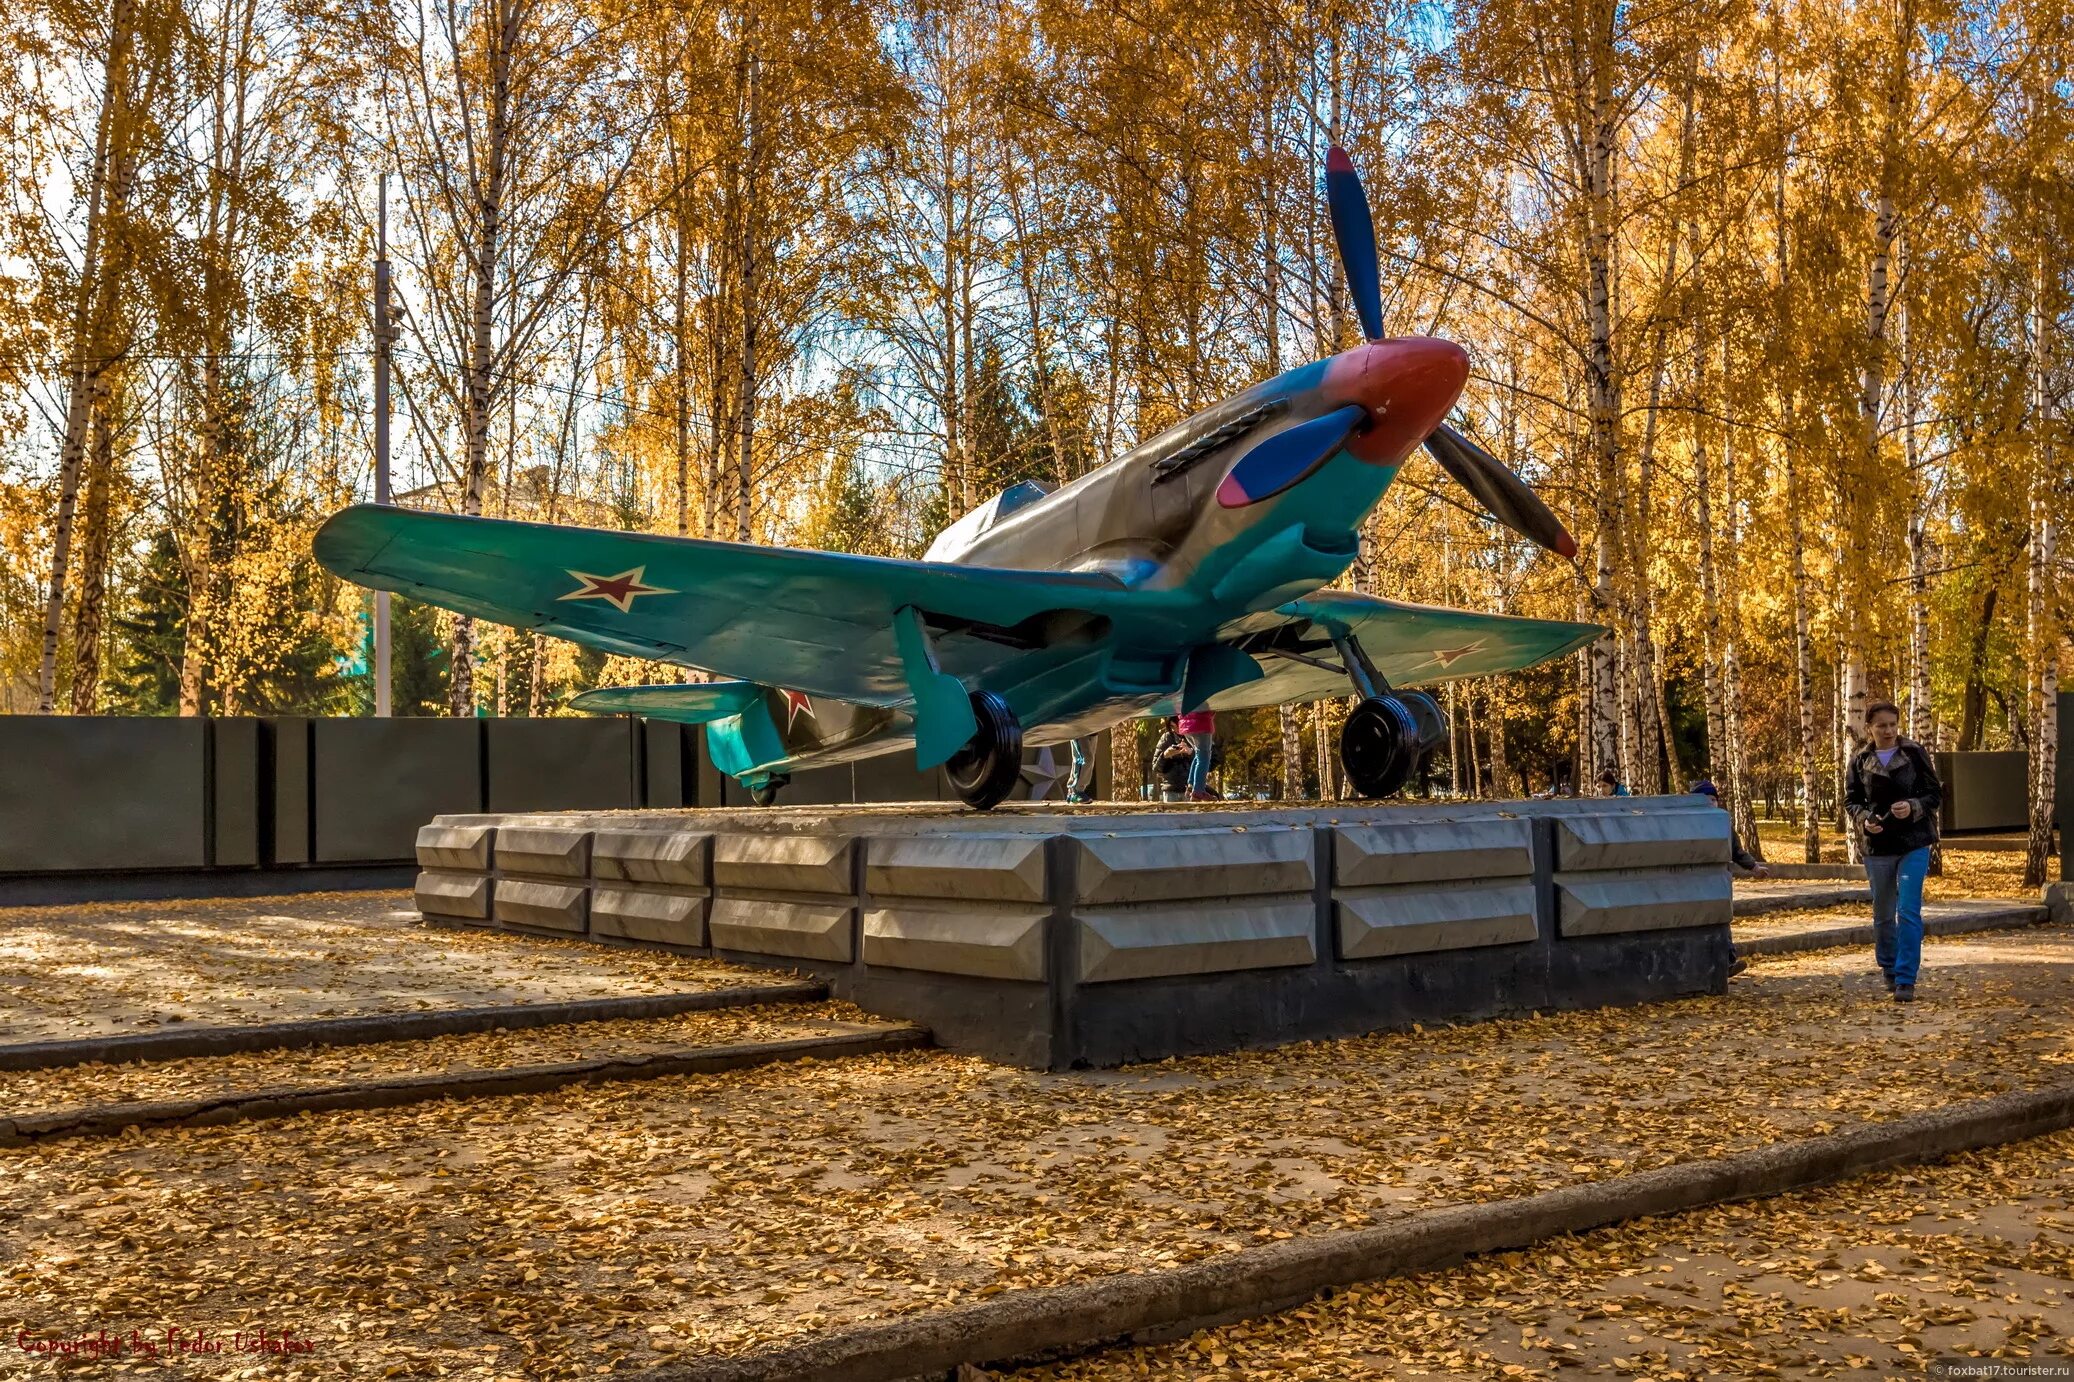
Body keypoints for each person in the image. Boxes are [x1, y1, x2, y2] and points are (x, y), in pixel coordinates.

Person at [1844, 700, 1942, 1003]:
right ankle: (1888, 964)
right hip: (1878, 844)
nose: (1888, 731)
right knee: (1883, 912)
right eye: (1881, 725)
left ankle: (1905, 978)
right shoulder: (1860, 759)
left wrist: (1913, 806)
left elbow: (1935, 793)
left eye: (1892, 725)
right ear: (1869, 727)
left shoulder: (1913, 752)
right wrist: (1865, 819)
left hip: (1914, 841)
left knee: (1908, 910)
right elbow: (1851, 801)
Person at [1690, 780, 1771, 879]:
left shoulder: (1722, 824)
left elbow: (1736, 850)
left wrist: (1755, 867)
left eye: (1713, 799)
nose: (1710, 803)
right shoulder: (1687, 824)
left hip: (1717, 877)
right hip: (1690, 876)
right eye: (1705, 800)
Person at [1176, 707, 1217, 801]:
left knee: (1199, 755)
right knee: (1204, 757)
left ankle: (1191, 786)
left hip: (1185, 724)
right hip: (1200, 722)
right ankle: (1198, 791)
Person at [1152, 718, 1193, 802]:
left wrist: (1191, 752)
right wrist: (1165, 755)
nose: (1176, 730)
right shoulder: (1166, 738)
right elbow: (1156, 768)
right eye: (1172, 726)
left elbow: (1208, 763)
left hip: (1190, 789)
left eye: (1178, 726)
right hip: (1170, 789)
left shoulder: (1193, 737)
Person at [1066, 736, 1095, 804]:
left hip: (1093, 730)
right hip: (1078, 730)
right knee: (1086, 758)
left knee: (1085, 757)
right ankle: (1077, 791)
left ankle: (1072, 792)